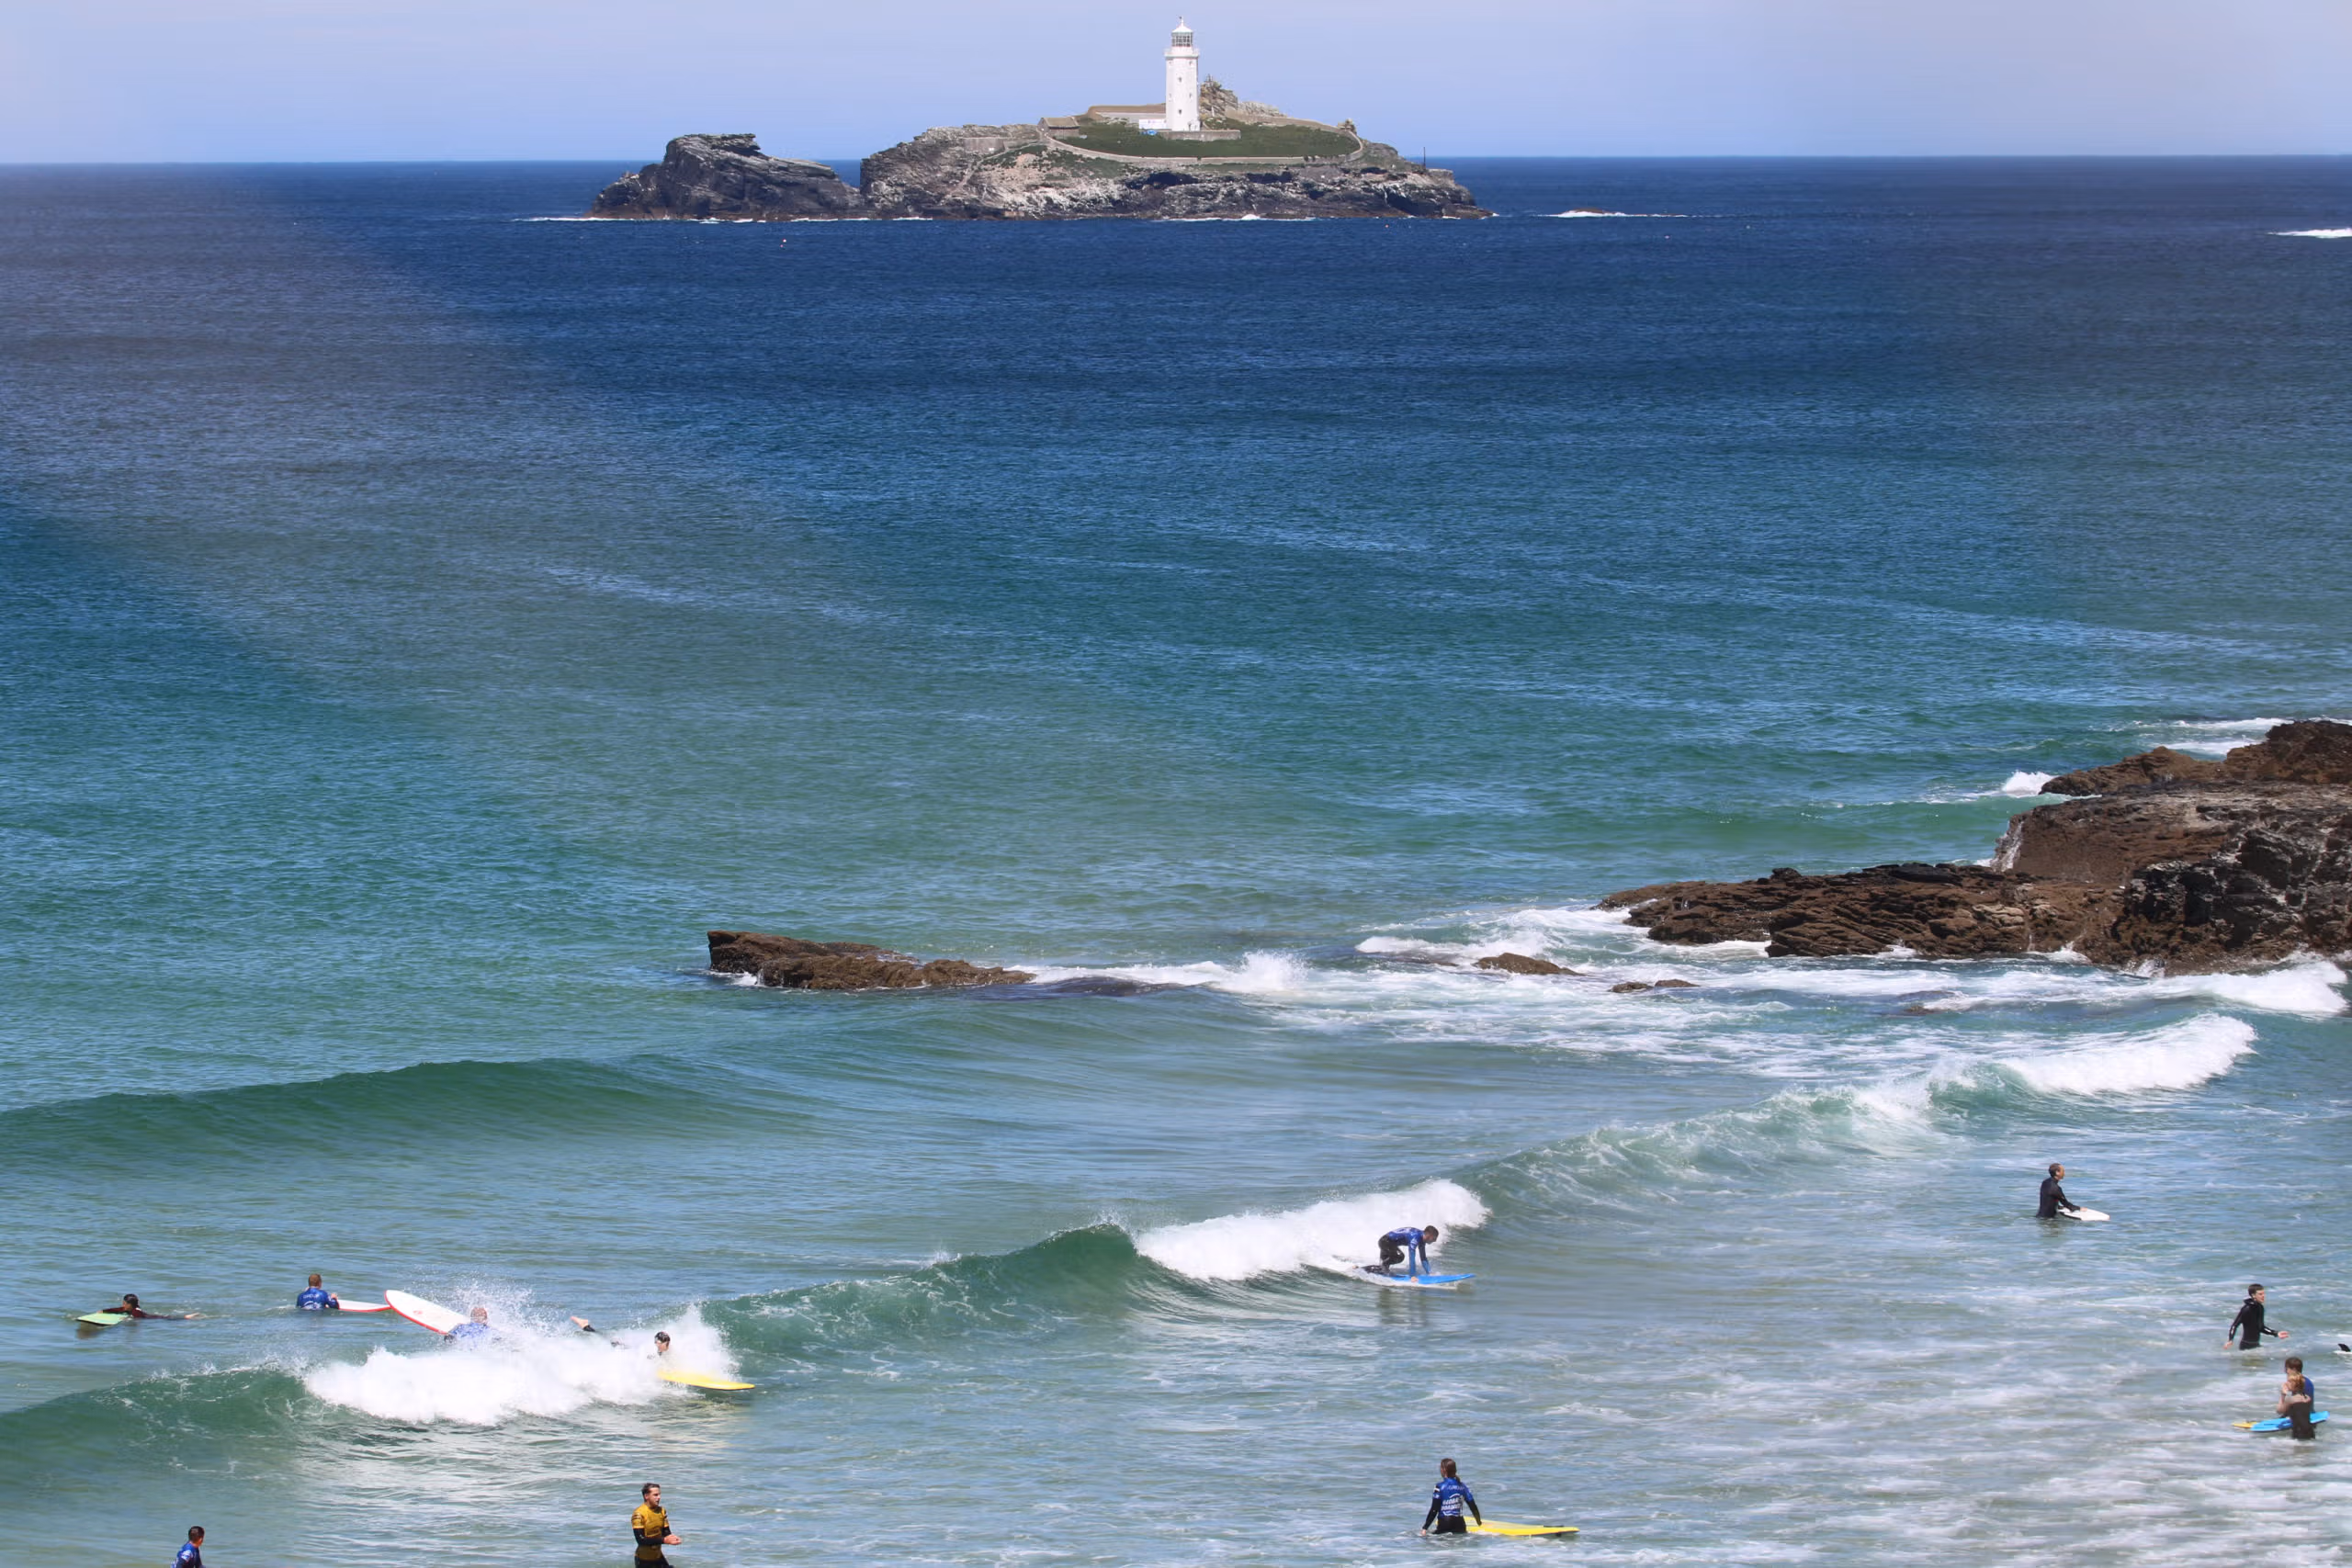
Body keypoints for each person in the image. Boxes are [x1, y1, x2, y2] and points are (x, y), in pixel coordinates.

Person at [1419, 1458, 1483, 1536]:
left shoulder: (1439, 1486)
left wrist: (1425, 1528)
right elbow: (1472, 1506)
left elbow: (1434, 1509)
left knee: (1428, 1538)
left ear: (1444, 1470)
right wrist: (1478, 1522)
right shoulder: (1463, 1486)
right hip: (1460, 1525)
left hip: (1444, 1524)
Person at [632, 1482, 682, 1566]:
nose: (659, 1497)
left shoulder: (661, 1511)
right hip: (643, 1559)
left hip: (658, 1557)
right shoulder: (639, 1514)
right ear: (646, 1496)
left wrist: (672, 1538)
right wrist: (664, 1540)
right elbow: (640, 1540)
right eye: (655, 1495)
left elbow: (666, 1532)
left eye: (659, 1495)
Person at [2226, 1284, 2288, 1350]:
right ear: (2253, 1295)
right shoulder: (2247, 1309)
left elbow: (2261, 1327)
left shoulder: (2260, 1307)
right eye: (2260, 1294)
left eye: (2263, 1294)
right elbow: (2235, 1325)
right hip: (2246, 1346)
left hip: (2256, 1345)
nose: (2263, 1296)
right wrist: (2230, 1340)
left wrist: (2276, 1333)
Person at [1375, 1225, 1440, 1278]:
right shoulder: (1415, 1237)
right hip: (1385, 1242)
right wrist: (1412, 1276)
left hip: (1389, 1244)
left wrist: (1429, 1273)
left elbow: (1423, 1258)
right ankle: (1382, 1268)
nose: (1435, 1240)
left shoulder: (1422, 1240)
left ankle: (1379, 1269)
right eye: (1434, 1238)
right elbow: (1412, 1258)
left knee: (1384, 1269)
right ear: (1428, 1235)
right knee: (1400, 1256)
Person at [2278, 1355, 2316, 1440]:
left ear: (2294, 1369)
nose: (2285, 1371)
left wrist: (2283, 1395)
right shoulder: (2304, 1382)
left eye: (2287, 1369)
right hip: (2309, 1425)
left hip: (2300, 1430)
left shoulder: (2302, 1385)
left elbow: (2280, 1410)